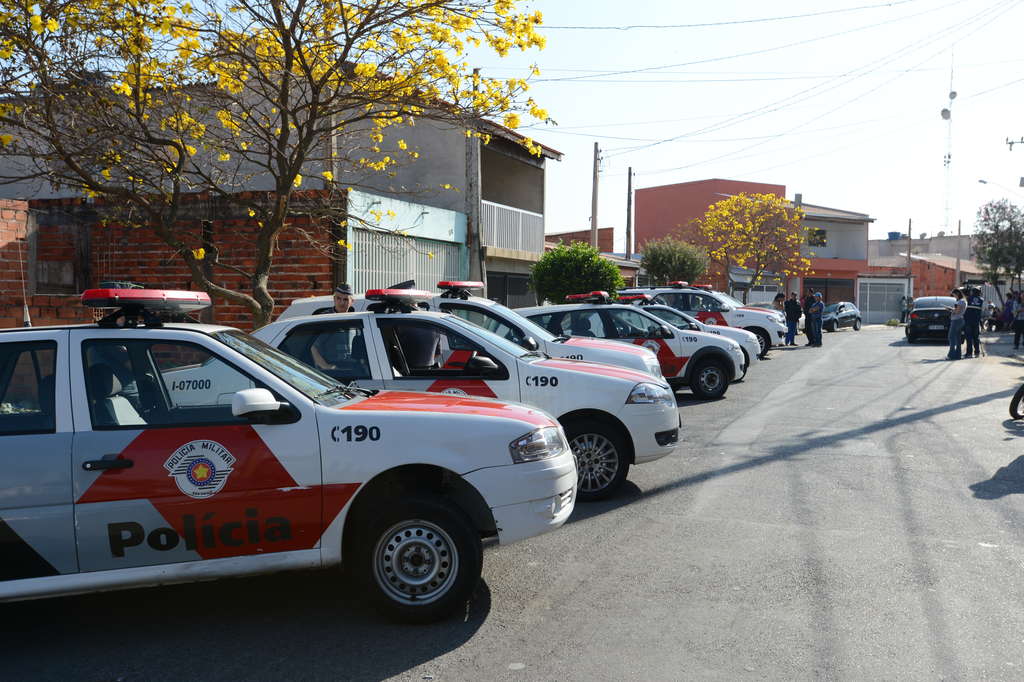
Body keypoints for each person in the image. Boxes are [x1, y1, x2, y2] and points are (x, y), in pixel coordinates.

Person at [963, 286, 984, 358]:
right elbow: (981, 312)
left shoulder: (968, 299)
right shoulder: (981, 300)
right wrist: (982, 324)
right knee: (976, 337)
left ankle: (969, 353)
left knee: (969, 338)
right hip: (976, 321)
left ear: (972, 292)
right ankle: (977, 353)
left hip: (968, 321)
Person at [946, 288, 966, 360]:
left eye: (954, 295)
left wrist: (950, 309)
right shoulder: (961, 301)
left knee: (951, 337)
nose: (954, 296)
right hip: (958, 320)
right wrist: (952, 309)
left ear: (957, 294)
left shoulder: (961, 301)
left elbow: (957, 311)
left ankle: (951, 355)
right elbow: (957, 310)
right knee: (957, 338)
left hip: (957, 320)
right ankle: (958, 355)